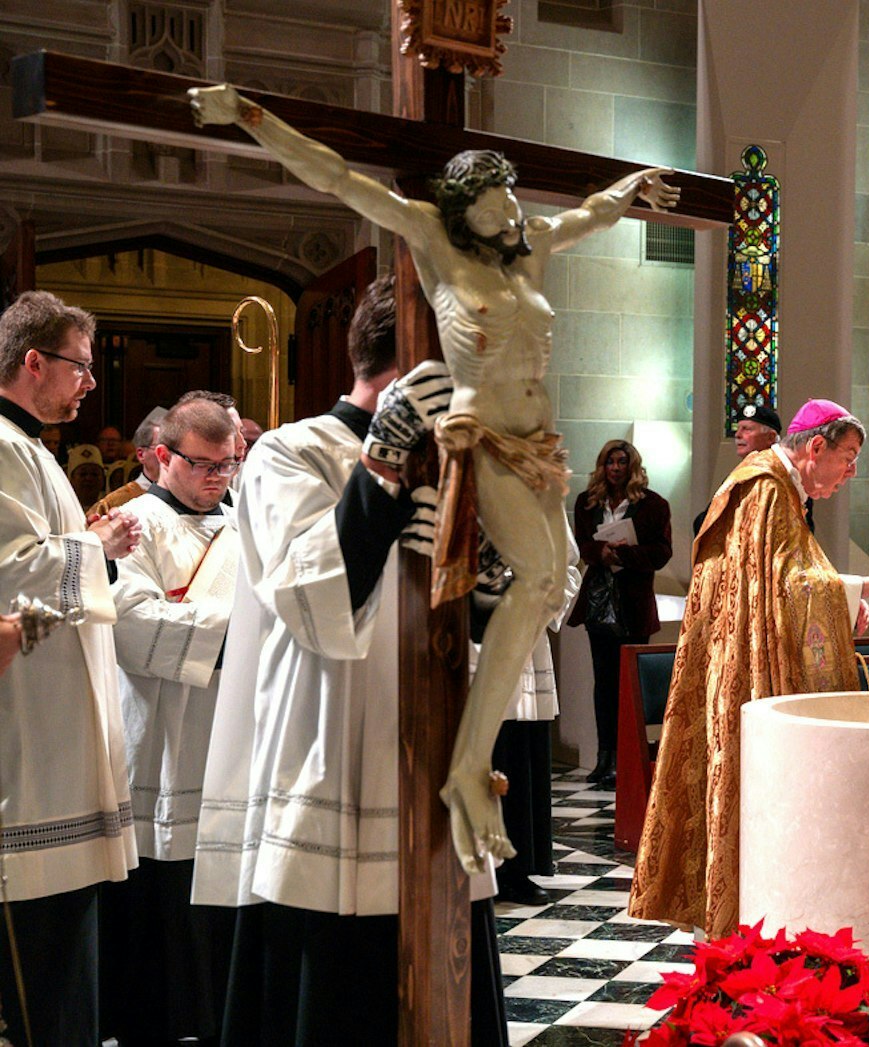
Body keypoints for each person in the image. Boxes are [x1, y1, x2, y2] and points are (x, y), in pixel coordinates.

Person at [191, 83, 680, 873]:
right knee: (535, 583)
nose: (512, 207)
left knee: (549, 582)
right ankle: (465, 764)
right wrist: (249, 116)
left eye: (513, 193)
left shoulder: (531, 249)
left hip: (537, 446)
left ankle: (467, 760)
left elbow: (589, 214)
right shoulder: (433, 241)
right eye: (495, 197)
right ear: (463, 206)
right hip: (481, 435)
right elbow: (339, 180)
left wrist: (628, 189)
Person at [191, 278, 507, 1046]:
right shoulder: (289, 452)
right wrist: (385, 466)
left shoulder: (460, 458)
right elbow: (310, 594)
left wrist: (494, 565)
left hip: (436, 771)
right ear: (415, 366)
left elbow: (508, 614)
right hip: (331, 766)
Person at [629, 399, 869, 937]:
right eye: (849, 457)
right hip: (744, 666)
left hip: (742, 653)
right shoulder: (765, 489)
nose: (852, 472)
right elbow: (789, 586)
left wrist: (845, 596)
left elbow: (785, 576)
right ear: (816, 447)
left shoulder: (776, 489)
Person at [0, 289, 141, 1045]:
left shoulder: (32, 448)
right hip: (29, 738)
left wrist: (85, 543)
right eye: (80, 366)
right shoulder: (1, 444)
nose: (90, 383)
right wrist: (100, 550)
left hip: (61, 727)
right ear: (33, 362)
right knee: (42, 966)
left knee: (66, 963)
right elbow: (11, 576)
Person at [100, 396, 240, 1046]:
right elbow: (133, 624)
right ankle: (155, 1020)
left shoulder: (249, 526)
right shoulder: (134, 523)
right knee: (165, 881)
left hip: (234, 731)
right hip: (164, 735)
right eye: (205, 464)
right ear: (163, 454)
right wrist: (237, 633)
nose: (219, 478)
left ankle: (220, 1016)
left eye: (229, 464)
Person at [481, 526, 581, 907]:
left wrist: (537, 600)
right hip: (472, 634)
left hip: (523, 634)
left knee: (517, 756)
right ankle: (478, 868)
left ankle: (516, 868)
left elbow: (567, 564)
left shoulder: (539, 496)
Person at [568, 439, 673, 790]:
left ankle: (628, 757)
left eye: (622, 462)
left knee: (630, 685)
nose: (616, 468)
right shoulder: (587, 502)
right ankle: (604, 757)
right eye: (610, 462)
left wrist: (625, 555)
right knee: (604, 682)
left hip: (633, 602)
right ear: (602, 466)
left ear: (633, 466)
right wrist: (602, 551)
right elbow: (581, 545)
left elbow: (661, 552)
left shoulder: (654, 505)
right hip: (599, 601)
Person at [692, 402, 784, 534]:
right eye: (738, 428)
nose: (738, 435)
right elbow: (704, 522)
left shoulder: (786, 477)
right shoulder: (737, 477)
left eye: (747, 429)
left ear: (770, 437)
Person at [91, 409, 165, 517]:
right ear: (141, 454)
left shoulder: (187, 498)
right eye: (160, 448)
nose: (168, 456)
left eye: (175, 449)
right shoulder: (113, 503)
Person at [67, 441, 106, 508]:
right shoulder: (63, 509)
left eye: (94, 474)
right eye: (83, 474)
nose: (89, 478)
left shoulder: (110, 507)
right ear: (71, 479)